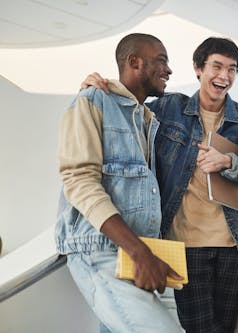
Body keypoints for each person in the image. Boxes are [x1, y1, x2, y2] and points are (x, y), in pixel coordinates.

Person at [83, 37, 238, 333]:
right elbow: (129, 107)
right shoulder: (169, 108)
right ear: (198, 69)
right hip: (186, 245)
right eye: (217, 66)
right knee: (199, 328)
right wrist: (99, 88)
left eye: (232, 70)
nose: (224, 76)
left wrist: (229, 163)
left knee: (228, 326)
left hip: (234, 244)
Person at [55, 33, 184, 332]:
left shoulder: (147, 119)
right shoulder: (92, 100)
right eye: (162, 60)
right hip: (102, 251)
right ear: (134, 61)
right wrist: (140, 252)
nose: (169, 70)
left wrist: (144, 253)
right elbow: (80, 182)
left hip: (132, 255)